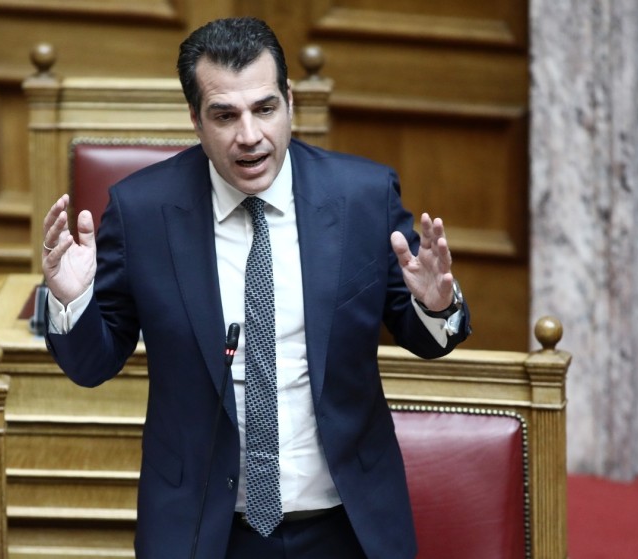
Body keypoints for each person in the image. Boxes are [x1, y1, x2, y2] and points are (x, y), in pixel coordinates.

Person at [41, 16, 470, 559]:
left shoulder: (362, 196)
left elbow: (427, 338)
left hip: (348, 524)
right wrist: (71, 300)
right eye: (225, 115)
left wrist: (435, 305)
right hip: (203, 529)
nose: (249, 136)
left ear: (289, 101)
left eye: (265, 109)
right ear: (195, 119)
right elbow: (92, 365)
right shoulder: (143, 212)